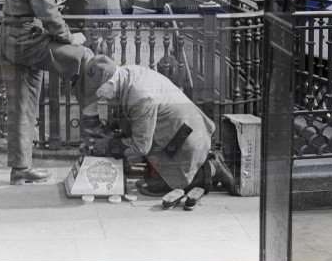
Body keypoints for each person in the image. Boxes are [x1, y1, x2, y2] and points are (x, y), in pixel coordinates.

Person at [0, 0, 95, 185]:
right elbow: (44, 8)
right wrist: (69, 36)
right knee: (83, 59)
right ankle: (95, 131)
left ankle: (21, 168)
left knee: (23, 104)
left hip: (20, 37)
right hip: (24, 38)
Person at [83, 55, 236, 206]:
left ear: (110, 83)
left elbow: (140, 147)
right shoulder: (125, 74)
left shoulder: (140, 96)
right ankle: (197, 163)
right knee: (150, 175)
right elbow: (131, 125)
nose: (100, 97)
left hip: (187, 137)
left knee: (153, 186)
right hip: (179, 131)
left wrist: (109, 145)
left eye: (100, 92)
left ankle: (211, 169)